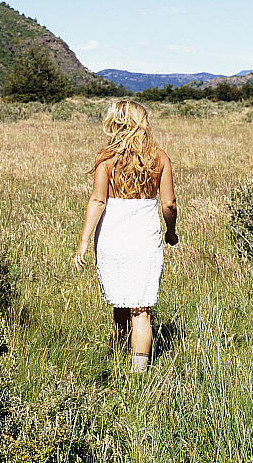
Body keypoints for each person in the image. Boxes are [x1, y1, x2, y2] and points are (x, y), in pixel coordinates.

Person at [73, 99, 178, 373]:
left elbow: (97, 201)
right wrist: (172, 231)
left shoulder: (106, 160)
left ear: (116, 123)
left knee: (120, 300)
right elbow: (168, 204)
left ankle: (119, 351)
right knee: (141, 309)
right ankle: (138, 373)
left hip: (112, 239)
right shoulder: (160, 157)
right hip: (145, 239)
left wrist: (83, 242)